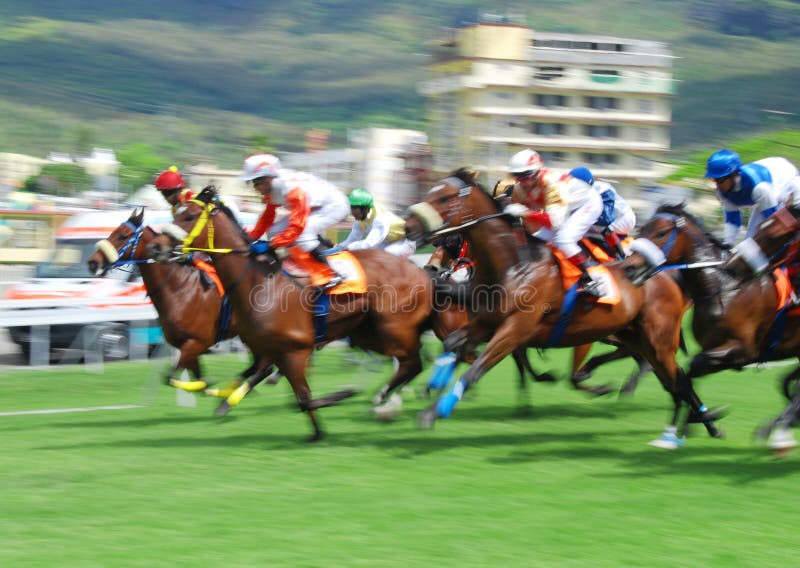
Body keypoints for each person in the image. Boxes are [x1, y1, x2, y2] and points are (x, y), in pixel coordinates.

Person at [503, 148, 605, 296]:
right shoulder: (519, 189)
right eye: (517, 176)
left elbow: (553, 221)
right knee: (538, 235)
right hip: (565, 210)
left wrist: (524, 212)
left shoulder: (553, 184)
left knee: (563, 240)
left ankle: (590, 279)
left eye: (525, 176)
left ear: (537, 171)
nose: (521, 182)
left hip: (587, 204)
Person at [239, 153, 350, 288]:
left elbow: (296, 228)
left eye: (256, 182)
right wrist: (251, 238)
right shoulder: (274, 186)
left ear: (268, 179)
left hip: (334, 205)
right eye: (252, 183)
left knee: (304, 234)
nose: (255, 188)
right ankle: (291, 262)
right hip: (314, 205)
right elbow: (267, 217)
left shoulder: (290, 189)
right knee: (274, 231)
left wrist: (271, 245)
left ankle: (335, 273)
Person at [705, 149, 800, 246]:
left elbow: (773, 221)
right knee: (748, 242)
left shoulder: (759, 188)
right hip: (768, 184)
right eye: (713, 179)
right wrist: (727, 244)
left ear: (734, 174)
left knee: (775, 233)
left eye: (719, 179)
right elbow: (733, 220)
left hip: (787, 180)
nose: (717, 185)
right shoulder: (722, 192)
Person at [568, 166, 635, 258]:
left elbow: (606, 219)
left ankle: (621, 255)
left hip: (624, 219)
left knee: (598, 226)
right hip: (607, 220)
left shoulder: (603, 189)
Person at [337, 188, 416, 257]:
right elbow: (351, 241)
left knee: (383, 256)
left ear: (366, 208)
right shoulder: (359, 219)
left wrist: (349, 247)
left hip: (404, 242)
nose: (353, 213)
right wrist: (336, 248)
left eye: (356, 210)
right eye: (351, 209)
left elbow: (368, 244)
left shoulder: (380, 220)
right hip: (386, 241)